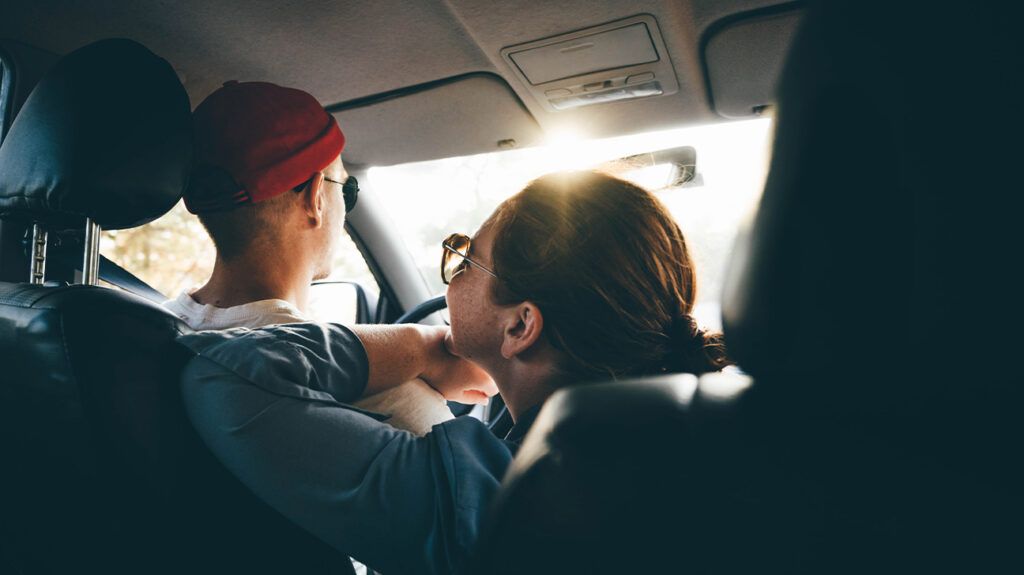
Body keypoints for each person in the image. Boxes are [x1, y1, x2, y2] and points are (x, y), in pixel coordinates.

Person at [177, 170, 731, 574]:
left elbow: (223, 377)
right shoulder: (686, 455)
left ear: (520, 328)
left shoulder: (486, 499)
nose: (452, 277)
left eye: (467, 260)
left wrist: (422, 345)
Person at [164, 80, 466, 435]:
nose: (345, 208)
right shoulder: (377, 395)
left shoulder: (157, 326)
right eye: (347, 190)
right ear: (315, 198)